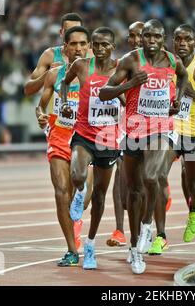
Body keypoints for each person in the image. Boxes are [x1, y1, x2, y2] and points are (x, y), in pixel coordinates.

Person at [99, 19, 188, 274]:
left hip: (161, 128)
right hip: (133, 130)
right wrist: (130, 84)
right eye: (147, 36)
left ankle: (148, 226)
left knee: (152, 176)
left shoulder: (173, 61)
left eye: (156, 37)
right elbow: (105, 92)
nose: (151, 40)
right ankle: (135, 248)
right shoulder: (131, 60)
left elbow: (183, 78)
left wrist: (178, 99)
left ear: (164, 39)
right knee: (133, 193)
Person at [147, 24, 195, 256]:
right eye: (178, 39)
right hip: (170, 131)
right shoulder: (165, 65)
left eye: (187, 40)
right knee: (158, 175)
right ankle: (160, 236)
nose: (182, 43)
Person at [25, 12, 92, 248]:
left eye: (80, 36)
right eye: (70, 34)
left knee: (81, 198)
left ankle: (77, 217)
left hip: (88, 134)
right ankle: (72, 247)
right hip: (60, 130)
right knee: (61, 191)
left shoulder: (94, 57)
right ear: (62, 35)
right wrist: (48, 76)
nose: (77, 44)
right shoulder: (50, 56)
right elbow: (28, 90)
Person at [60, 27, 122, 270]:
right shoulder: (81, 66)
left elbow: (129, 98)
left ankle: (90, 244)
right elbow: (64, 85)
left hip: (108, 140)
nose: (100, 48)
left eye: (105, 44)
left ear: (113, 47)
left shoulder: (121, 69)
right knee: (77, 174)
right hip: (84, 135)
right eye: (96, 44)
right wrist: (65, 103)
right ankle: (78, 192)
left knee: (98, 198)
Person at [107, 21, 145, 248]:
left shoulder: (162, 63)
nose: (135, 40)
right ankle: (120, 229)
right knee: (121, 175)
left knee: (148, 180)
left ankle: (146, 228)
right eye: (131, 36)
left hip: (156, 128)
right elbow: (113, 89)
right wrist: (126, 98)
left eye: (139, 35)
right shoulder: (126, 61)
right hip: (127, 125)